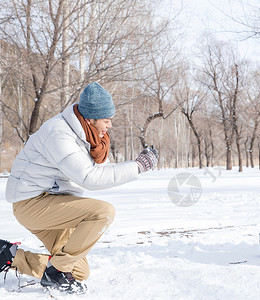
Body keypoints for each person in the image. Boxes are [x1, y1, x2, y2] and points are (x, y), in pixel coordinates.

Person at [0, 82, 158, 294]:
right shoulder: (59, 133)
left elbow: (100, 171)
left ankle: (10, 256)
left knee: (79, 271)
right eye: (106, 120)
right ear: (91, 119)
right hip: (32, 203)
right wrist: (139, 166)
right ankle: (55, 271)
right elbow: (90, 178)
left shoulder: (87, 137)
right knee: (103, 212)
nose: (109, 125)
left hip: (55, 204)